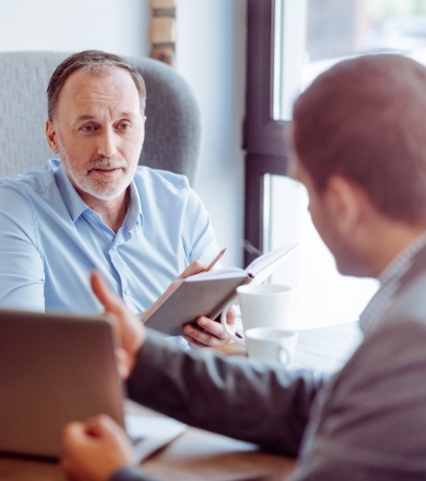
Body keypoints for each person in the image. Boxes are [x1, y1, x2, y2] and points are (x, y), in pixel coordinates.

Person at [59, 53, 426, 481]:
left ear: (343, 205)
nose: (307, 208)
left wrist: (116, 476)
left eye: (305, 188)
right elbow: (317, 404)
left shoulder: (410, 340)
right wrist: (143, 356)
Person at [0, 50, 233, 347]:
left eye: (123, 126)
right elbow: (24, 350)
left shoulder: (180, 201)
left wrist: (220, 331)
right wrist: (158, 319)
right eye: (89, 128)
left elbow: (225, 334)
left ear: (142, 127)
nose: (109, 149)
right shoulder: (15, 207)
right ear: (52, 136)